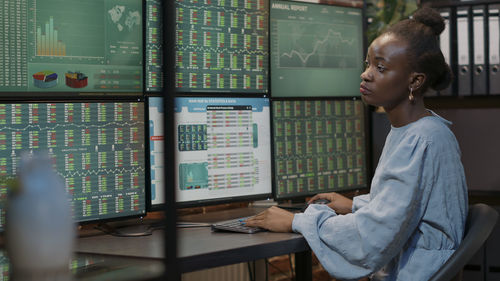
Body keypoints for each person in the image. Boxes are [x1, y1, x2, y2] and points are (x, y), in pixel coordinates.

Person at [245, 7, 468, 281]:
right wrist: (355, 206)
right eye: (368, 64)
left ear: (415, 80)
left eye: (381, 67)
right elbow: (405, 206)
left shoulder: (421, 139)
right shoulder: (417, 130)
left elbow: (375, 236)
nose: (366, 74)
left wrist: (296, 221)